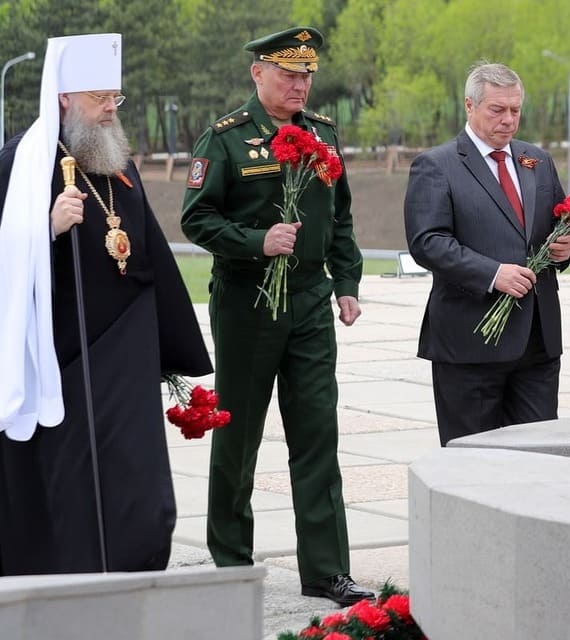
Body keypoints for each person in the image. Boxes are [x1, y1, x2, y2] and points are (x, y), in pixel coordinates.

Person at [0, 33, 213, 581]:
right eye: (99, 97)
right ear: (64, 97)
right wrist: (47, 229)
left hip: (120, 357)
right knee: (64, 490)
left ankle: (128, 572)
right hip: (55, 358)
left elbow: (145, 251)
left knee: (138, 491)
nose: (111, 108)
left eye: (116, 96)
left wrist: (167, 344)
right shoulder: (22, 162)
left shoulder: (111, 161)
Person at [180, 27, 372, 606]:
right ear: (257, 73)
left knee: (317, 432)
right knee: (237, 435)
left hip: (311, 301)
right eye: (288, 73)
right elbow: (197, 219)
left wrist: (347, 282)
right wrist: (257, 241)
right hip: (248, 301)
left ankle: (326, 570)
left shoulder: (322, 134)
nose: (299, 83)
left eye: (307, 74)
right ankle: (232, 562)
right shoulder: (227, 140)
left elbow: (339, 217)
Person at [404, 61, 570, 447]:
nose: (509, 120)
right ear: (470, 105)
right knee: (474, 461)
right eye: (497, 110)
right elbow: (427, 242)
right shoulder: (437, 166)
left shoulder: (537, 161)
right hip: (470, 343)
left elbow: (562, 225)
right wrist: (491, 273)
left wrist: (566, 248)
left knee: (540, 454)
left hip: (537, 341)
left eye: (515, 110)